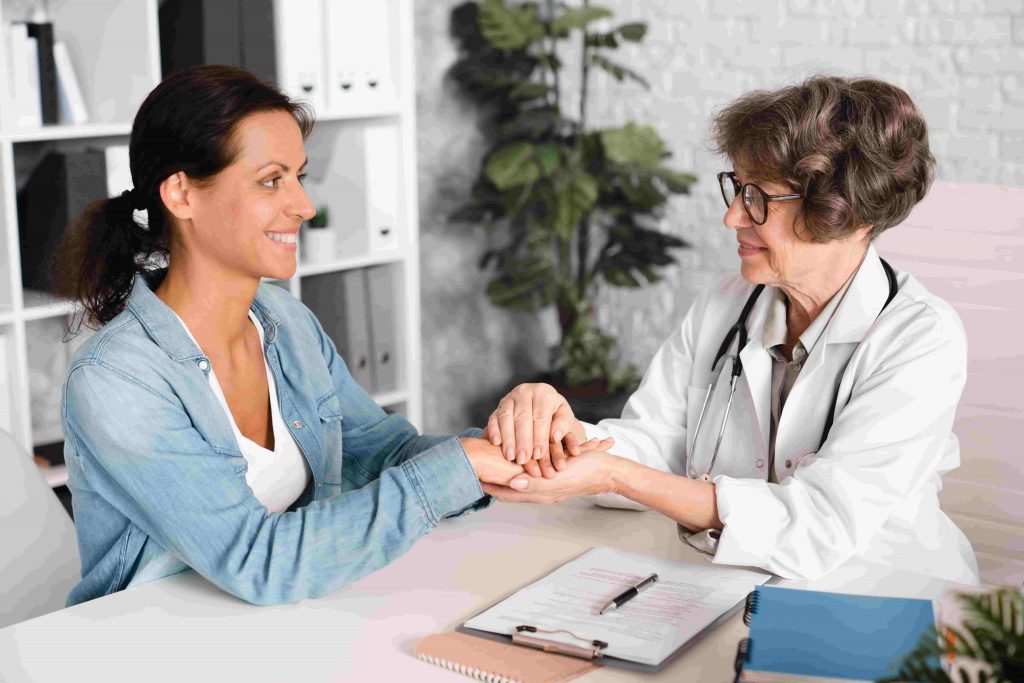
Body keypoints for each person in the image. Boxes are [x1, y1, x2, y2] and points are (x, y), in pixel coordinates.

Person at [54, 65, 536, 606]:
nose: (304, 206)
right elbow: (256, 559)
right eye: (271, 180)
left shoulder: (286, 323)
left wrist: (504, 445)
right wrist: (455, 472)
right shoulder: (117, 381)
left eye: (299, 177)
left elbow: (381, 452)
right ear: (182, 194)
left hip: (279, 628)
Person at [481, 76, 979, 584]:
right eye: (737, 189)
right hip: (728, 585)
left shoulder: (920, 339)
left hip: (883, 594)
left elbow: (816, 528)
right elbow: (654, 445)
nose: (732, 216)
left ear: (841, 212)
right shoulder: (725, 305)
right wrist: (563, 434)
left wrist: (615, 474)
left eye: (758, 197)